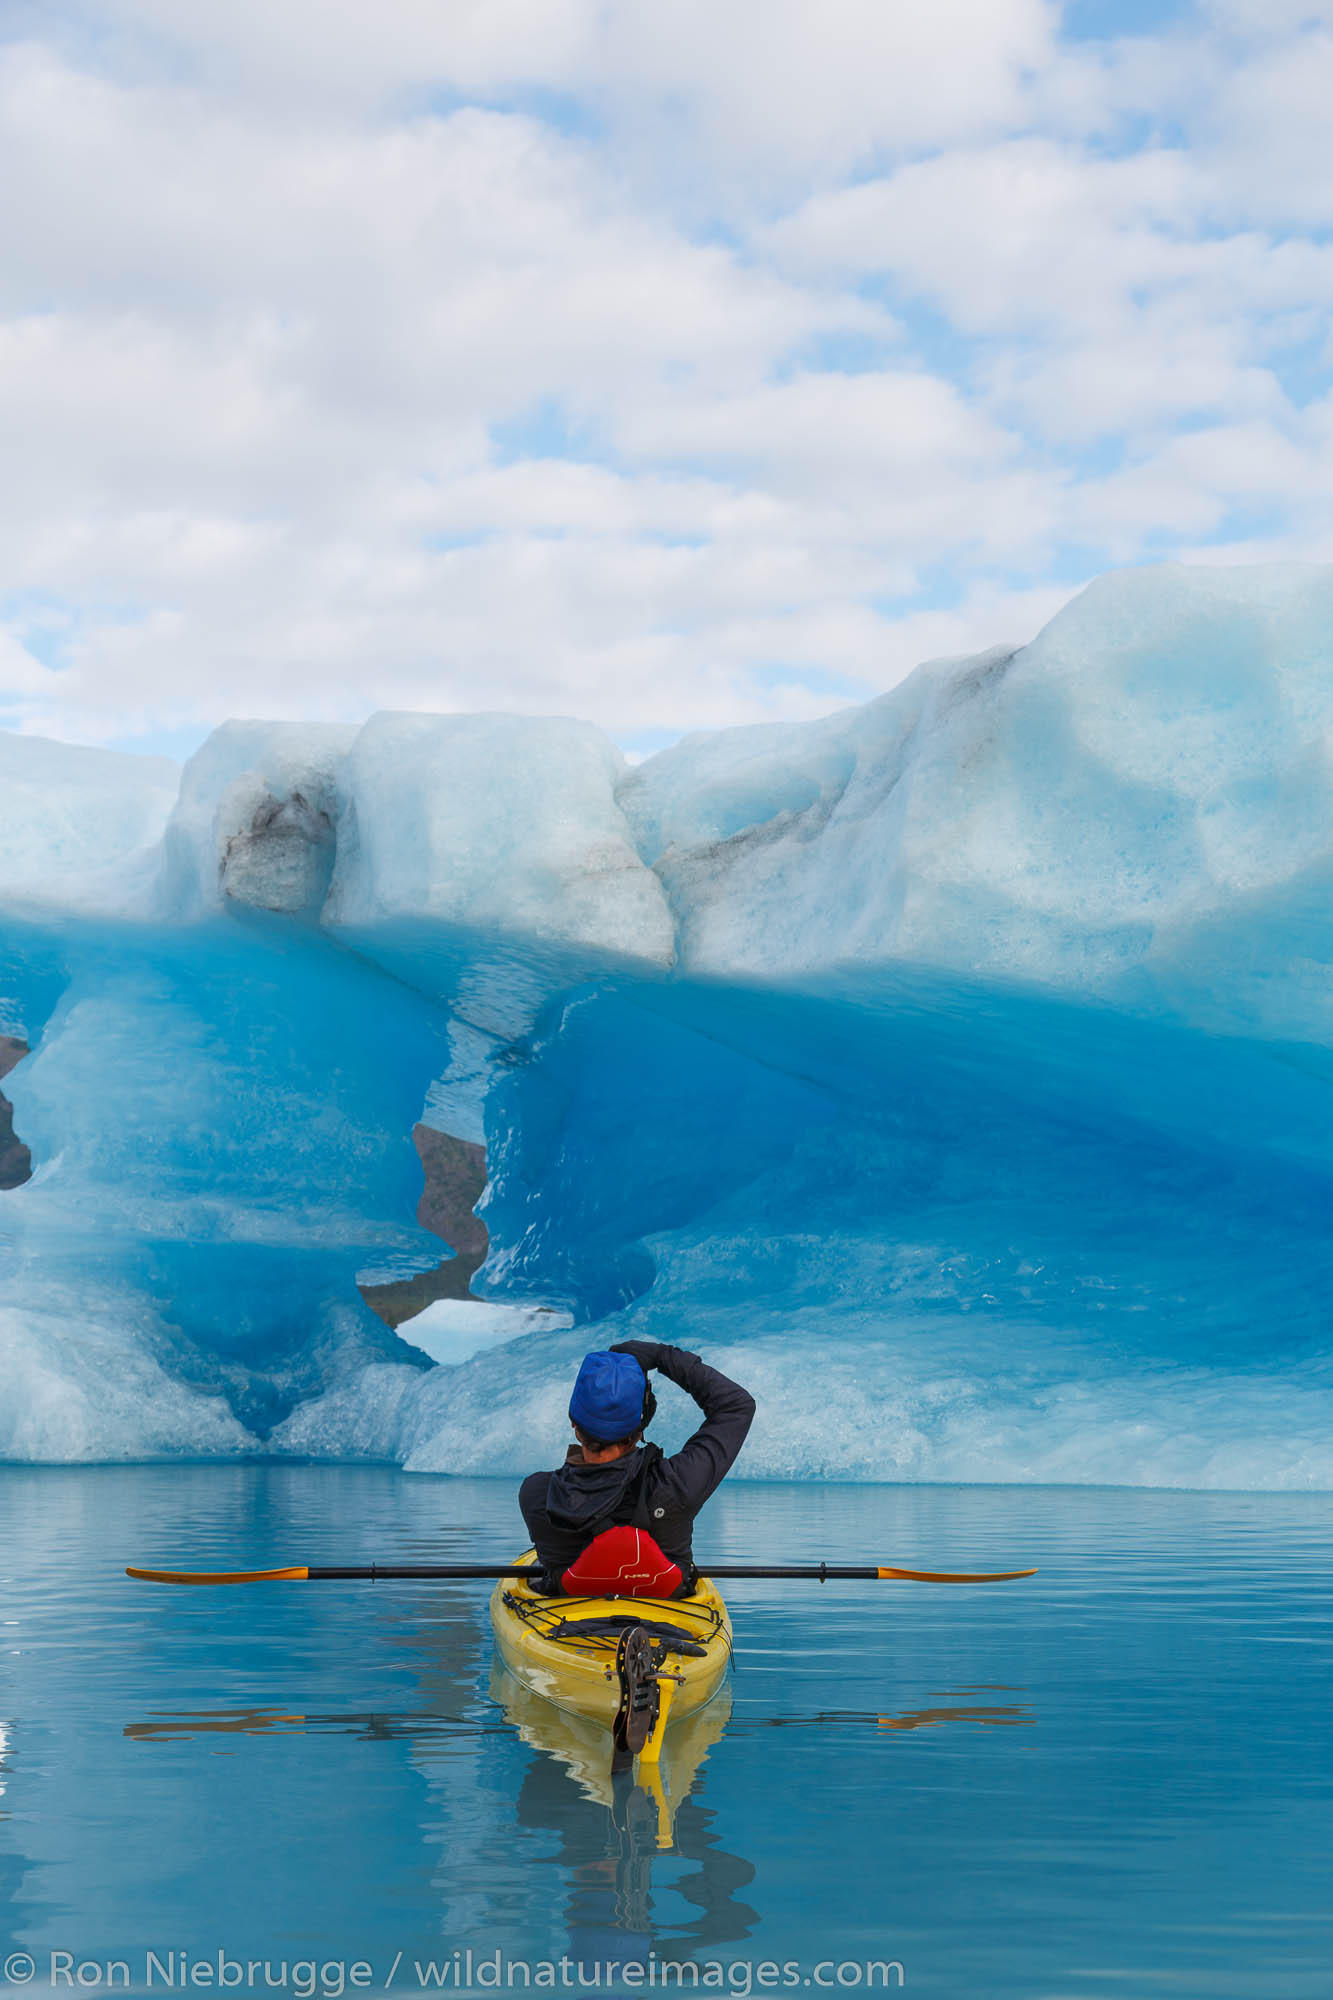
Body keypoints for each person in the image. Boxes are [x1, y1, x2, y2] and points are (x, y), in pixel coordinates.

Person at [519, 1338, 755, 1596]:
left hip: (567, 1623)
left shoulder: (538, 1493)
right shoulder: (676, 1484)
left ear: (574, 1422)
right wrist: (662, 1355)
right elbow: (736, 1406)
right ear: (643, 1420)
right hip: (668, 1622)